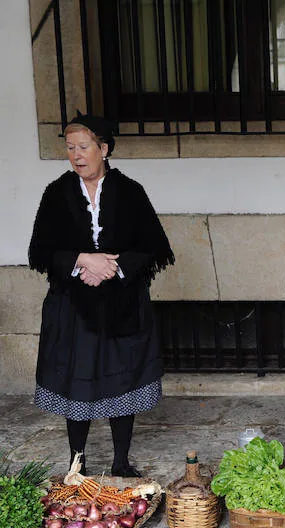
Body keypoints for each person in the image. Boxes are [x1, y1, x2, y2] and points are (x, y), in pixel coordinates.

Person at [28, 113, 174, 477]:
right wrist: (82, 260)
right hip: (72, 305)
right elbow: (39, 251)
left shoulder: (130, 192)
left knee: (121, 379)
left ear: (104, 148)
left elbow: (155, 246)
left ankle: (121, 461)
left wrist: (115, 266)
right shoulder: (56, 193)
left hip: (122, 303)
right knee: (77, 381)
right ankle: (77, 461)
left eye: (83, 147)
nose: (76, 155)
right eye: (69, 147)